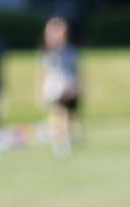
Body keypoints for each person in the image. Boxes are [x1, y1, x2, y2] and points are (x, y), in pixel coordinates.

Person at [40, 17, 83, 154]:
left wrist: (76, 86)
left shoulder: (70, 51)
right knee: (57, 114)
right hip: (55, 87)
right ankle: (58, 141)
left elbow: (76, 70)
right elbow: (43, 72)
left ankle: (68, 137)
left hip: (68, 85)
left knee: (69, 115)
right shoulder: (48, 52)